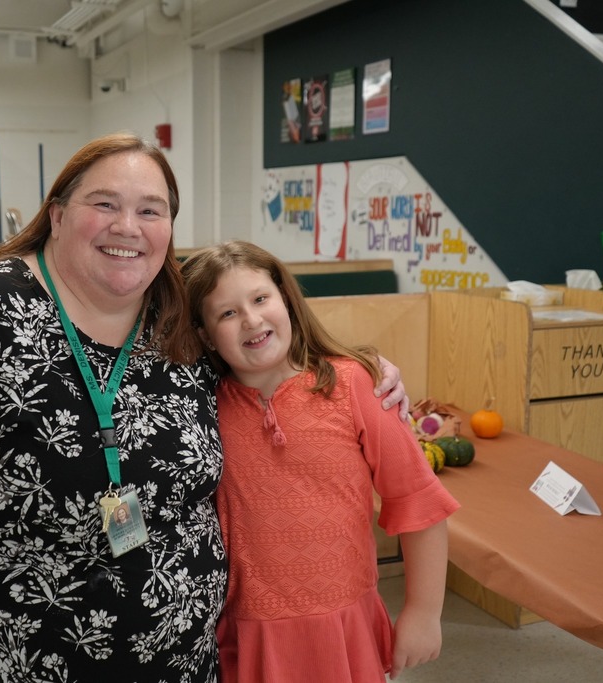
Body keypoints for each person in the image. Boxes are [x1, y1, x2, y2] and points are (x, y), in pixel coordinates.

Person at [0, 133, 407, 682]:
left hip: (181, 662)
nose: (127, 227)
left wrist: (362, 366)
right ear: (56, 215)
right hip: (1, 659)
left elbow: (265, 360)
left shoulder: (179, 322)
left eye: (151, 211)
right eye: (105, 203)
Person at [181, 240, 460, 683]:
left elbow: (418, 503)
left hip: (344, 629)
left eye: (260, 299)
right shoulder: (199, 407)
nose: (251, 320)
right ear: (204, 333)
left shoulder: (354, 385)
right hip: (248, 636)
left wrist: (424, 613)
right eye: (227, 313)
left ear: (286, 299)